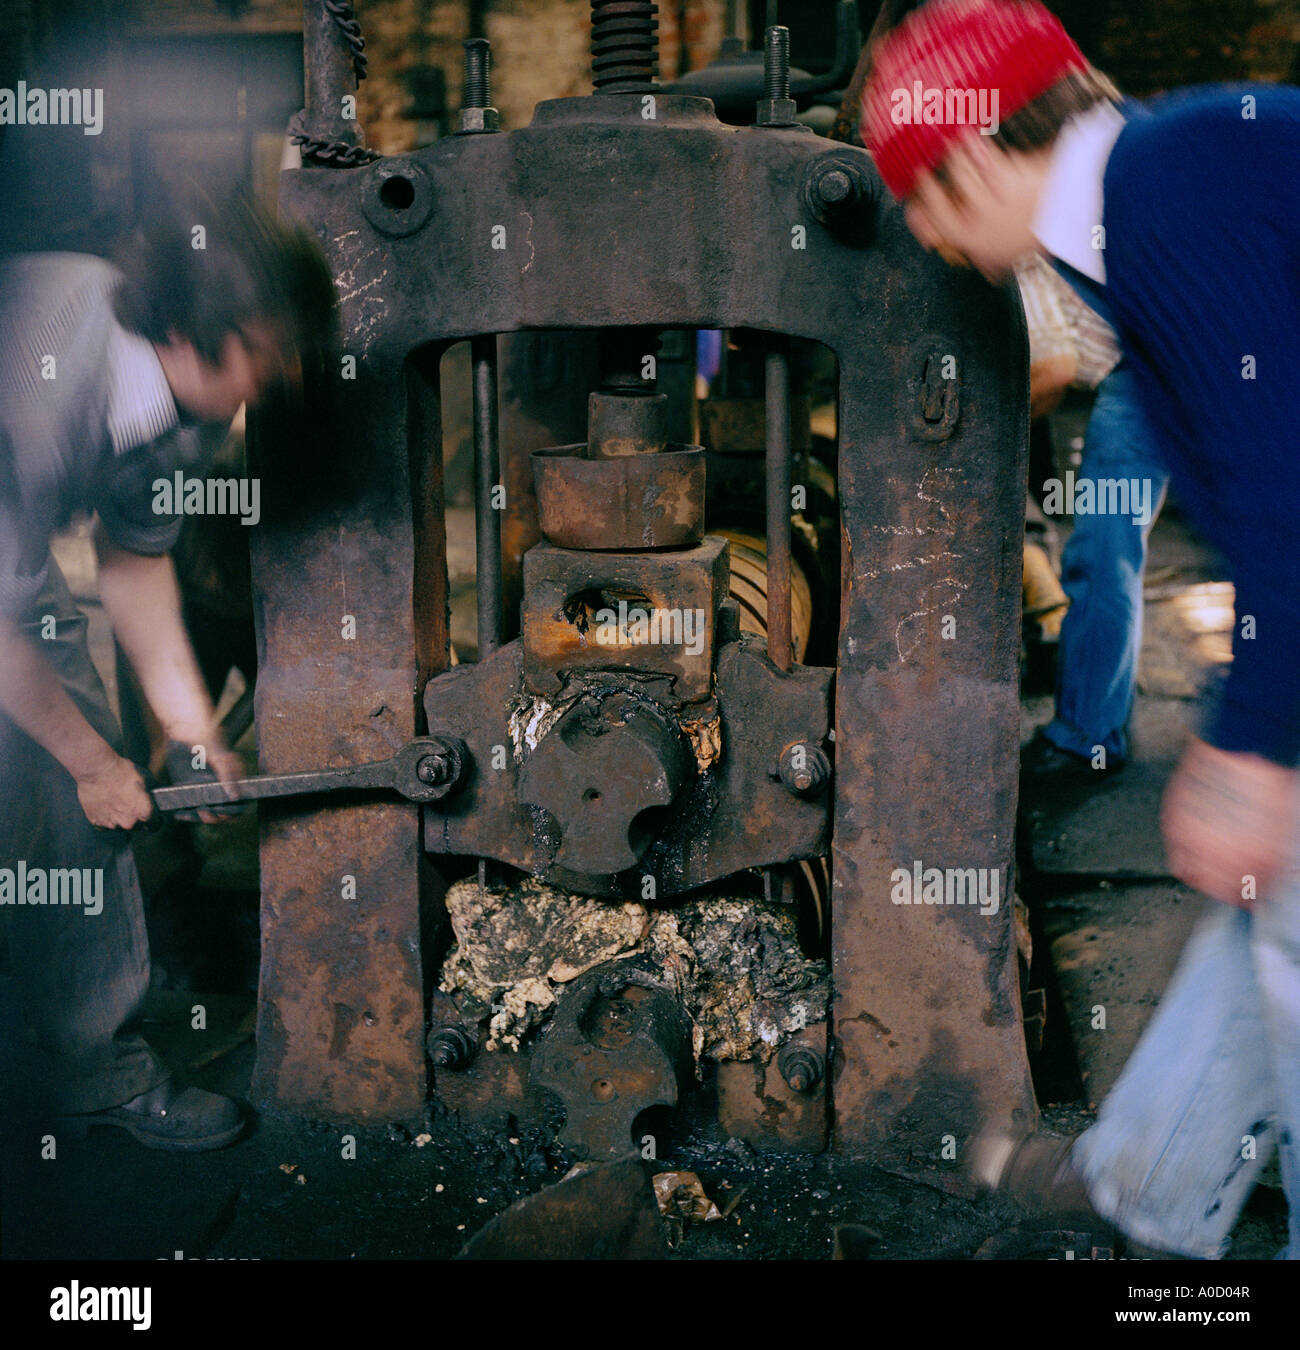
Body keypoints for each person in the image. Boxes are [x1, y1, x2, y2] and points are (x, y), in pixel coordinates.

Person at [861, 0, 1300, 1258]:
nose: (939, 248)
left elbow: (1281, 494)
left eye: (927, 207)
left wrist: (1255, 741)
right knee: (1267, 911)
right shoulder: (1147, 195)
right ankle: (1146, 1187)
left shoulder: (1164, 197)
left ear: (975, 157)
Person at [0, 194, 334, 1149]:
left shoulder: (195, 410)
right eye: (270, 350)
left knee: (76, 801)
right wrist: (90, 764)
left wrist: (189, 728)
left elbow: (135, 564)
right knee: (73, 774)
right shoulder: (37, 388)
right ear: (190, 335)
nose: (290, 371)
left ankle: (88, 1065)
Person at [1016, 252, 1169, 779]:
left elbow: (1053, 371)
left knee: (1103, 553)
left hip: (1144, 369)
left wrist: (985, 443)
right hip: (1157, 357)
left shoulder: (1022, 248)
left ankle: (1087, 738)